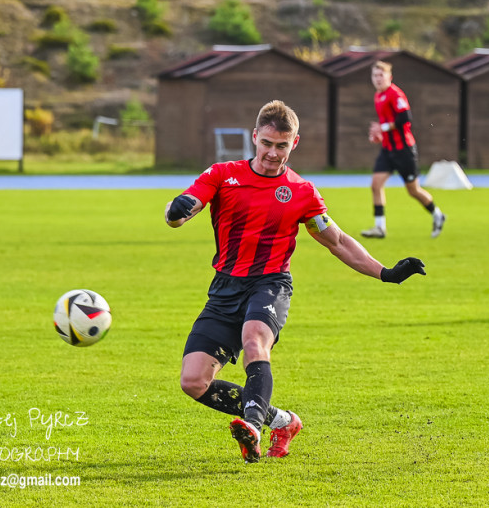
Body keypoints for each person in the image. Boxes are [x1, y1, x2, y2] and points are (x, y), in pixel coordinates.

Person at [165, 100, 426, 463]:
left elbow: (337, 241)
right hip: (225, 286)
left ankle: (253, 426)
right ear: (255, 137)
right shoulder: (224, 175)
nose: (273, 153)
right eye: (267, 144)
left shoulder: (301, 192)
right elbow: (185, 207)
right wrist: (174, 213)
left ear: (294, 143)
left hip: (270, 284)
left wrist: (386, 273)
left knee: (255, 341)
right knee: (192, 382)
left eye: (281, 146)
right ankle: (282, 421)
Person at [361, 61, 445, 239]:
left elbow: (405, 117)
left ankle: (437, 214)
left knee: (413, 190)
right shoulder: (378, 96)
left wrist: (382, 129)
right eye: (374, 76)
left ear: (389, 77)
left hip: (404, 150)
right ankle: (380, 228)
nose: (377, 79)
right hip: (388, 149)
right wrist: (380, 137)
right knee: (375, 185)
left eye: (381, 75)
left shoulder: (395, 93)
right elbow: (388, 126)